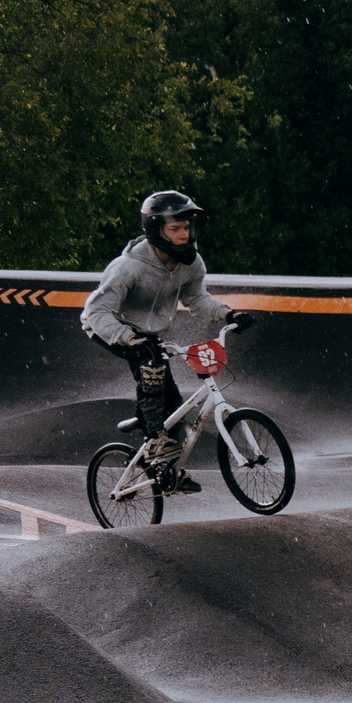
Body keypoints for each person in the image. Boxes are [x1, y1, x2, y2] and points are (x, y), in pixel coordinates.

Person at [78, 190, 254, 492]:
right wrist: (128, 338)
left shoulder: (190, 263)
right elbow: (96, 310)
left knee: (174, 404)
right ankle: (155, 443)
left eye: (187, 227)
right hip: (109, 326)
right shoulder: (128, 267)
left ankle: (166, 469)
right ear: (156, 230)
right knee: (150, 364)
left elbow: (197, 298)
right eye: (176, 229)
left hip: (150, 334)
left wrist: (228, 314)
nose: (184, 234)